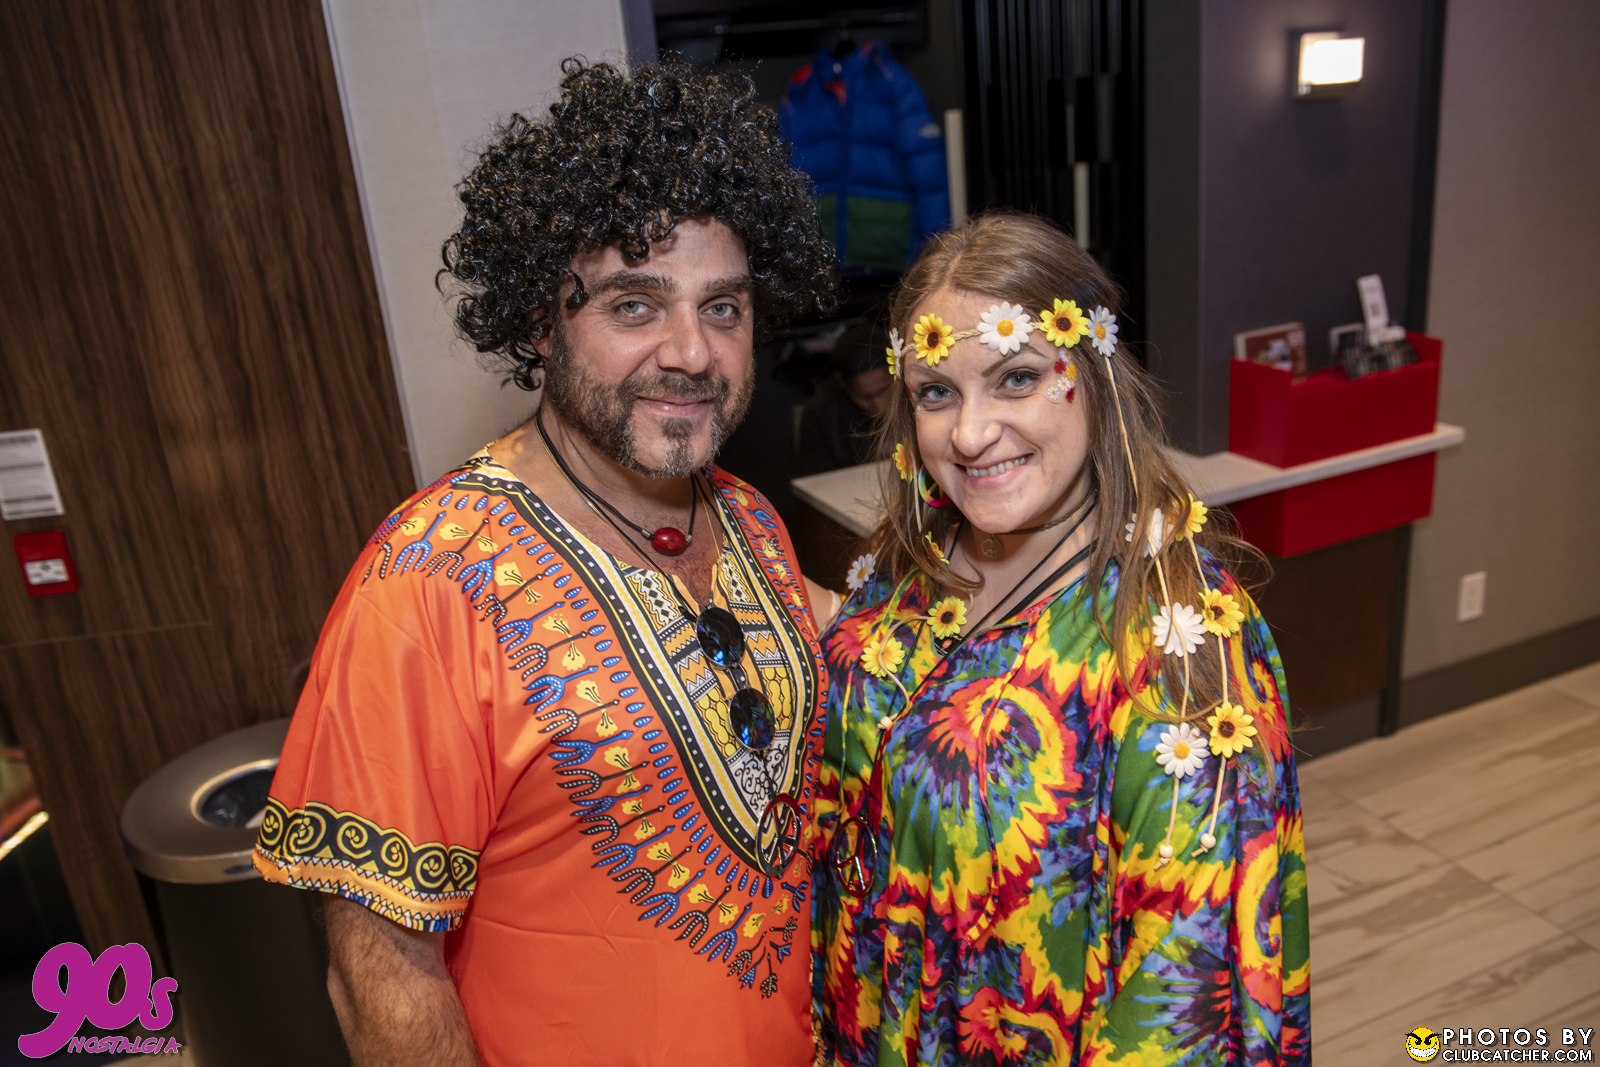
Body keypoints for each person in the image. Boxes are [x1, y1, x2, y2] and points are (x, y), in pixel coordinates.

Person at [254, 59, 839, 1067]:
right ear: (539, 320)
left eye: (724, 307)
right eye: (634, 305)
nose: (691, 352)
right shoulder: (425, 585)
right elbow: (383, 971)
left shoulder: (747, 516)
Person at [812, 213, 1310, 1066]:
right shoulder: (912, 562)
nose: (970, 434)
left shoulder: (1174, 641)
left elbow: (1183, 991)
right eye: (937, 392)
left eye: (1016, 378)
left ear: (1093, 374)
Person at [796, 320, 896, 476]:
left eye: (885, 391)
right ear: (845, 388)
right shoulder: (822, 414)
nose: (879, 406)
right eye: (865, 397)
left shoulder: (919, 400)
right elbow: (815, 483)